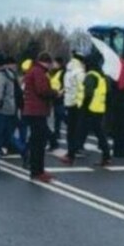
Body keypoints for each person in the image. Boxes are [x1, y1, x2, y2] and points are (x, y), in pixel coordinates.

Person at [61, 54, 111, 167]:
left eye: (84, 63)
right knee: (100, 134)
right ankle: (106, 156)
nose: (83, 65)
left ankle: (70, 156)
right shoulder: (102, 76)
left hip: (89, 108)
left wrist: (83, 105)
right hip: (99, 108)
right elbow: (107, 92)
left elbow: (88, 93)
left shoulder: (90, 76)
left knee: (79, 132)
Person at [22, 52, 57, 183]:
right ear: (46, 62)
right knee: (39, 142)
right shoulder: (39, 72)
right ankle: (37, 171)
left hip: (33, 110)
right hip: (37, 111)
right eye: (50, 63)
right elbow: (42, 90)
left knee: (37, 140)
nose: (50, 66)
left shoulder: (34, 70)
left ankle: (36, 169)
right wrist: (55, 93)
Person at [109, 57, 124, 158]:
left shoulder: (115, 77)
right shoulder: (123, 79)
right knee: (121, 129)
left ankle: (117, 149)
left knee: (117, 129)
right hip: (122, 107)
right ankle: (120, 150)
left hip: (116, 106)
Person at [63, 52, 86, 156]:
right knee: (77, 127)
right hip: (77, 102)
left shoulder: (68, 70)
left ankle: (70, 149)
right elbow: (82, 88)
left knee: (70, 127)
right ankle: (75, 149)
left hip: (68, 100)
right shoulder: (79, 71)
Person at [48, 56, 66, 151]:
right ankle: (56, 133)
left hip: (59, 97)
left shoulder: (62, 73)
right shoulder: (52, 72)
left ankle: (56, 134)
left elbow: (64, 85)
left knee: (60, 115)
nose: (53, 65)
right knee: (56, 117)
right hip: (53, 97)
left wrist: (61, 92)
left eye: (55, 63)